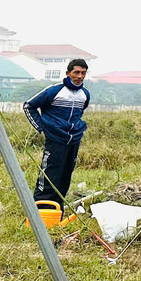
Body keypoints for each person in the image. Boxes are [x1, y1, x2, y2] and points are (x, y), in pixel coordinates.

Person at [22, 58, 91, 206]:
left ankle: (57, 209)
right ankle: (41, 209)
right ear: (68, 73)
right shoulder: (54, 91)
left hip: (74, 140)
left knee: (65, 176)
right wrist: (42, 127)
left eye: (83, 73)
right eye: (76, 72)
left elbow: (80, 112)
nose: (79, 76)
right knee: (50, 175)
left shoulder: (85, 94)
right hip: (55, 139)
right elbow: (29, 106)